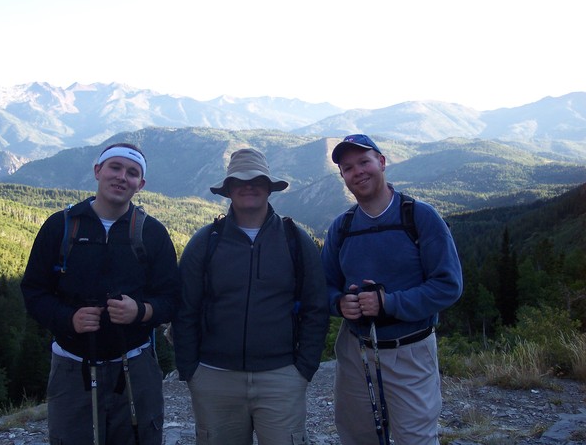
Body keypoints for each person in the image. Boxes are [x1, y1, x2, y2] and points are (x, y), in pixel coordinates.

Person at [21, 142, 180, 445]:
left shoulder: (152, 233)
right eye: (115, 167)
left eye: (132, 173)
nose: (122, 177)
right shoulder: (60, 226)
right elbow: (34, 290)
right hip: (72, 365)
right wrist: (69, 319)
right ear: (98, 171)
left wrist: (141, 311)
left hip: (134, 364)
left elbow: (172, 299)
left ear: (140, 184)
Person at [173, 148, 329, 445]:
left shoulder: (295, 240)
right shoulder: (206, 242)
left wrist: (303, 370)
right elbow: (185, 310)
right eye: (240, 181)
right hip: (214, 377)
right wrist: (191, 371)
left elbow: (315, 308)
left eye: (257, 180)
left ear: (269, 187)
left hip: (281, 376)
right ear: (229, 189)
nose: (249, 186)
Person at [321, 134, 463, 445]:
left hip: (410, 350)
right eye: (348, 167)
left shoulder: (419, 217)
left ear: (382, 162)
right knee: (357, 437)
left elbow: (448, 285)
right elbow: (325, 285)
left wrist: (389, 303)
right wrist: (339, 304)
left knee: (416, 439)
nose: (357, 171)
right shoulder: (342, 227)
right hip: (355, 352)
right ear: (343, 176)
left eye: (364, 162)